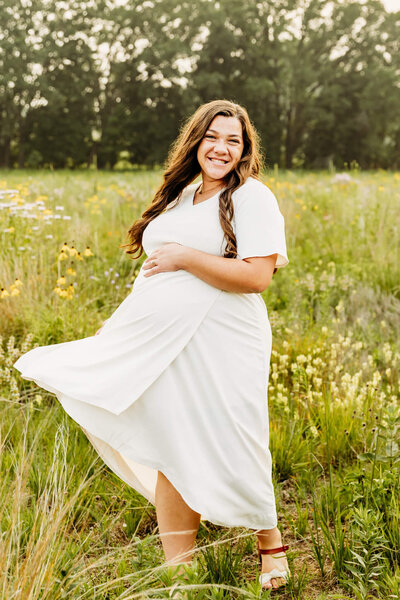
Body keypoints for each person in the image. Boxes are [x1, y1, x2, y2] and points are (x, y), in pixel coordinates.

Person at [13, 99, 290, 592]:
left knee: (237, 433)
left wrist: (185, 255)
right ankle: (180, 570)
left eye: (233, 140)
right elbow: (152, 278)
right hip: (160, 342)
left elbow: (256, 276)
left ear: (245, 149)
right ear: (196, 140)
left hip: (224, 337)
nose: (221, 148)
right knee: (172, 441)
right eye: (213, 137)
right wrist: (119, 328)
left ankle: (271, 546)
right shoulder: (180, 194)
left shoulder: (252, 197)